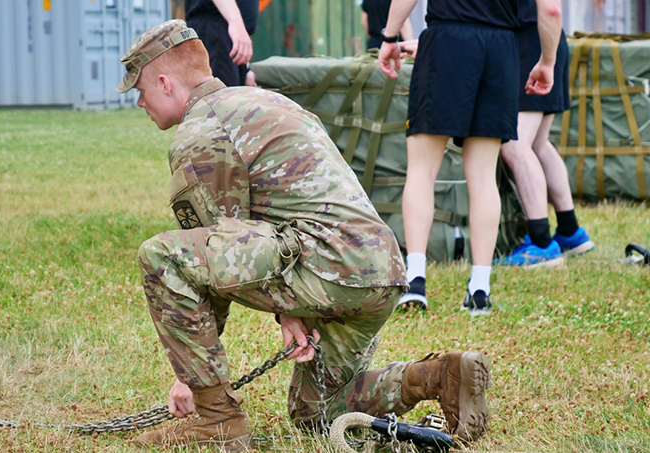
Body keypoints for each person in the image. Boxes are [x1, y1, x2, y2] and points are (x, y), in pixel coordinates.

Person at [117, 20, 492, 451]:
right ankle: (437, 376)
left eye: (141, 90)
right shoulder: (264, 102)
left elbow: (217, 253)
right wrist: (290, 311)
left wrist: (191, 380)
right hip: (379, 268)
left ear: (165, 83)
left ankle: (218, 421)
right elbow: (264, 229)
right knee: (316, 412)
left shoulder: (201, 133)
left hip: (328, 265)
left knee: (162, 257)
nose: (140, 102)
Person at [378, 0, 563, 315]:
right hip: (502, 48)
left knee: (422, 170)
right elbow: (552, 10)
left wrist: (389, 37)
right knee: (483, 176)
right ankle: (480, 289)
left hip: (446, 41)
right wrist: (547, 61)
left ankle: (416, 282)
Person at [495, 1, 594, 267]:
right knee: (538, 143)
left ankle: (540, 242)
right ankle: (570, 231)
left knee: (515, 146)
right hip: (547, 42)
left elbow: (551, 8)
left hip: (532, 45)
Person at [184, 0, 257, 87]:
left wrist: (245, 68)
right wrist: (235, 22)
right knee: (220, 97)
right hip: (215, 30)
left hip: (224, 35)